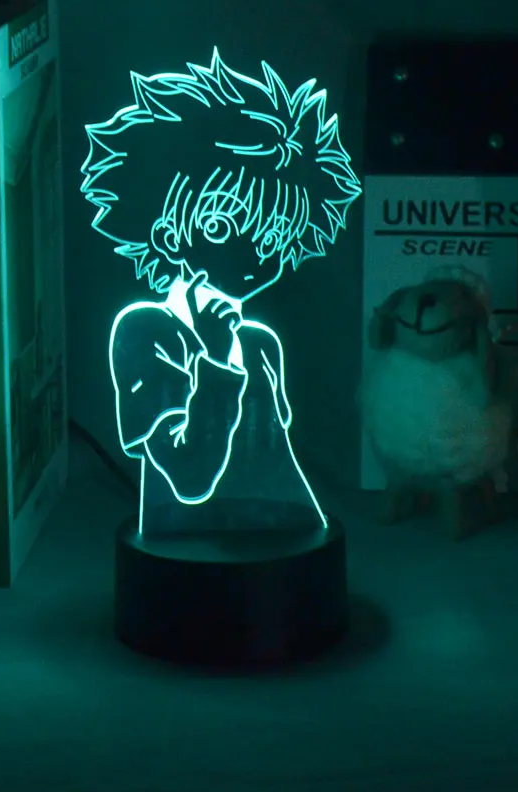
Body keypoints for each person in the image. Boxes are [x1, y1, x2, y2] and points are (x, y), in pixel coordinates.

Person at [81, 49, 362, 535]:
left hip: (287, 536)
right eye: (221, 226)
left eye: (272, 237)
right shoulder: (145, 331)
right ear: (169, 233)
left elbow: (275, 463)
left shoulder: (260, 343)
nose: (250, 253)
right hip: (185, 539)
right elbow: (190, 478)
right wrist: (213, 361)